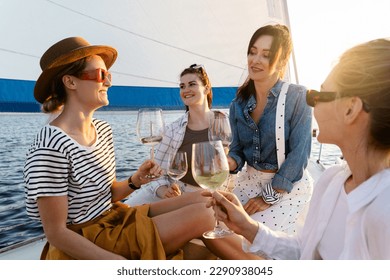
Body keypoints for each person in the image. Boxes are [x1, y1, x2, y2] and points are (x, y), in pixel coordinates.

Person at [23, 37, 215, 260]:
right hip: (87, 237)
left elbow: (107, 194)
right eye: (101, 75)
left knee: (207, 197)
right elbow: (56, 233)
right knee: (208, 213)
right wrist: (116, 264)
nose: (109, 82)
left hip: (115, 218)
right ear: (70, 82)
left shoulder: (102, 130)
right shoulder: (49, 146)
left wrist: (135, 180)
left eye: (109, 76)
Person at [208, 38, 390, 259]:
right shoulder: (332, 181)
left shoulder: (383, 210)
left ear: (350, 109)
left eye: (319, 95)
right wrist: (245, 225)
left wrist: (268, 197)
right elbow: (304, 251)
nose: (311, 103)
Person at [227, 24, 313, 234]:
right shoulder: (238, 103)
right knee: (218, 227)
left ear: (282, 61)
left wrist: (269, 195)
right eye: (253, 52)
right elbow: (237, 150)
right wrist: (227, 162)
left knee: (253, 239)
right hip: (248, 182)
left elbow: (299, 155)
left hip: (286, 185)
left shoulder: (298, 97)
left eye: (266, 55)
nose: (255, 60)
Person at [126, 64, 228, 206]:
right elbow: (157, 172)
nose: (186, 90)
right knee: (122, 214)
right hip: (174, 191)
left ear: (206, 88)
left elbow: (235, 162)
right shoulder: (173, 130)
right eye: (182, 86)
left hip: (209, 194)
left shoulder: (224, 122)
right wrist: (164, 191)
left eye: (192, 84)